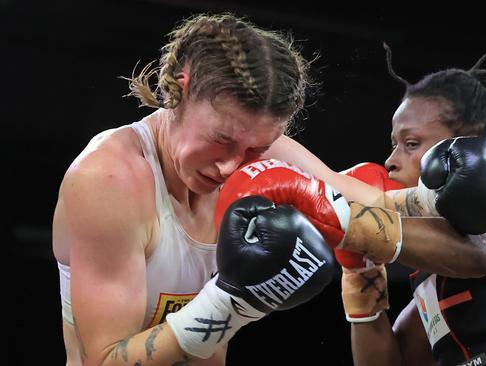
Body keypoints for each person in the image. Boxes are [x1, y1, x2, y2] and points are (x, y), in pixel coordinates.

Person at [52, 13, 339, 366]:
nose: (231, 167)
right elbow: (105, 360)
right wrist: (230, 303)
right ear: (180, 88)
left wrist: (417, 199)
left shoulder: (254, 153)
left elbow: (373, 202)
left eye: (256, 149)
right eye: (221, 139)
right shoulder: (109, 179)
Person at [345, 37, 486, 365]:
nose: (390, 161)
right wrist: (359, 276)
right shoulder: (432, 277)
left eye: (410, 143)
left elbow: (479, 254)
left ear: (463, 147)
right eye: (394, 144)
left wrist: (354, 224)